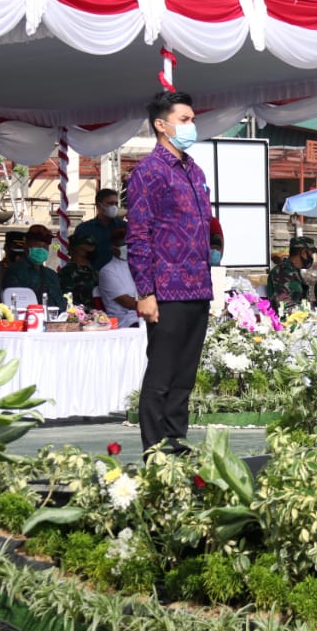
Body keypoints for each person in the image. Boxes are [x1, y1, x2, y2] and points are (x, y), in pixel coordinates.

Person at [127, 90, 213, 453]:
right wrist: (145, 292)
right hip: (166, 289)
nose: (192, 125)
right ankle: (154, 446)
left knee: (185, 375)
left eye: (192, 119)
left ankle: (176, 439)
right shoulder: (149, 172)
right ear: (162, 126)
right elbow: (138, 235)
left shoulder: (194, 170)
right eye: (184, 119)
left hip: (198, 286)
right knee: (161, 373)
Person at [1, 224, 66, 311]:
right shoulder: (15, 272)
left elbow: (61, 304)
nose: (41, 250)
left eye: (45, 246)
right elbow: (16, 305)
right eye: (37, 245)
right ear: (26, 246)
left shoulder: (52, 275)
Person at [73, 188, 125, 271]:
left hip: (119, 275)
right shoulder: (84, 229)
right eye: (110, 203)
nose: (114, 207)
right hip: (93, 275)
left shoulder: (124, 227)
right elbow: (78, 256)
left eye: (116, 203)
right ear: (98, 205)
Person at [98, 226, 138, 328]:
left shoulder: (139, 265)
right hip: (125, 321)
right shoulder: (108, 271)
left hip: (146, 315)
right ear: (114, 249)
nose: (129, 248)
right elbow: (127, 302)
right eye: (125, 246)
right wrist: (151, 303)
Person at [267, 236, 315, 316]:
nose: (312, 257)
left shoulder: (294, 271)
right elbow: (285, 307)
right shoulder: (283, 272)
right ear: (303, 253)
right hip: (287, 321)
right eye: (311, 253)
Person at [59, 233, 99, 308]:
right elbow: (67, 299)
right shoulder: (67, 272)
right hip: (79, 312)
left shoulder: (92, 269)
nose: (92, 249)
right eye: (88, 246)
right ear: (75, 249)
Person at [0, 231, 26, 299]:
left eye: (22, 249)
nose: (19, 252)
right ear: (5, 248)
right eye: (15, 247)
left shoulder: (30, 271)